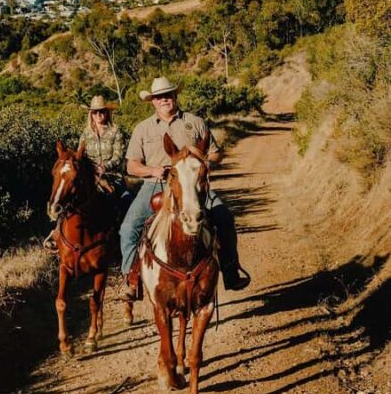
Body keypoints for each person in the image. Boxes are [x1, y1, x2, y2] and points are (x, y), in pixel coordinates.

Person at [118, 76, 251, 298]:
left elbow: (216, 152)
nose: (164, 100)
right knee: (128, 228)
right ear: (152, 101)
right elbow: (131, 165)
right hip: (155, 185)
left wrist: (205, 163)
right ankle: (131, 280)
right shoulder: (142, 129)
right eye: (159, 97)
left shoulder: (195, 121)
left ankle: (230, 270)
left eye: (168, 95)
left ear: (175, 96)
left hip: (192, 186)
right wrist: (151, 170)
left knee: (224, 217)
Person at [43, 95, 126, 249]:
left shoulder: (116, 132)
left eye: (101, 111)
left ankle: (118, 233)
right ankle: (57, 232)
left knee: (120, 200)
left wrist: (105, 167)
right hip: (90, 174)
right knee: (72, 195)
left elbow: (119, 156)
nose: (98, 115)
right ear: (91, 114)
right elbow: (80, 156)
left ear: (107, 113)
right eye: (95, 112)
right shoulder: (86, 134)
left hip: (112, 175)